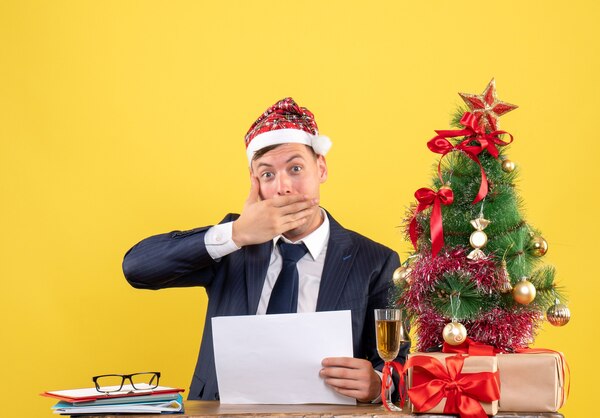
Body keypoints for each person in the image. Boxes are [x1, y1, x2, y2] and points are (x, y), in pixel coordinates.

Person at [122, 97, 403, 403]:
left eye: (295, 168)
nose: (283, 187)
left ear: (321, 168)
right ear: (254, 183)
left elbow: (396, 360)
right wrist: (237, 233)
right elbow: (137, 269)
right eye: (268, 174)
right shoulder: (232, 243)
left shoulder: (376, 261)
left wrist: (379, 384)